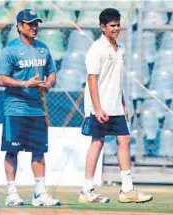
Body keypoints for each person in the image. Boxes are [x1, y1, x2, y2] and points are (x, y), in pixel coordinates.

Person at [79, 8, 153, 204]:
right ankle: (87, 190)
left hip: (115, 105)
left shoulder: (120, 49)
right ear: (102, 27)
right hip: (100, 106)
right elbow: (92, 79)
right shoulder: (96, 48)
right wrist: (97, 108)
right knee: (97, 142)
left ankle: (127, 189)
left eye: (118, 25)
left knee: (125, 139)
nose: (116, 28)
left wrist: (122, 103)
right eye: (112, 25)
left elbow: (115, 80)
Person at [0, 8, 60, 207]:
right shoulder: (10, 50)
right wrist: (25, 84)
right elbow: (1, 79)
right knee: (12, 151)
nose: (34, 27)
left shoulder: (43, 48)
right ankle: (11, 192)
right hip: (15, 109)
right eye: (30, 24)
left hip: (37, 109)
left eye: (36, 23)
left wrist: (49, 83)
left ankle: (40, 193)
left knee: (39, 151)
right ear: (19, 26)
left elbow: (52, 72)